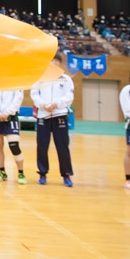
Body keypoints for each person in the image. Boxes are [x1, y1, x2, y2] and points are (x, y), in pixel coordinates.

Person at [30, 51, 74, 187]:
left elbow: (69, 97)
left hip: (59, 115)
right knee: (42, 146)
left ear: (59, 63)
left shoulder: (66, 79)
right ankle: (42, 173)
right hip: (43, 115)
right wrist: (43, 105)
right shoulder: (40, 78)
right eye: (52, 61)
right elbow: (34, 94)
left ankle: (66, 175)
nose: (54, 63)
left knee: (62, 146)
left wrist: (56, 104)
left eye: (57, 61)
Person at [0, 90, 27, 184]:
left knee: (14, 145)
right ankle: (2, 172)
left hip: (11, 117)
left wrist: (8, 112)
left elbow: (18, 98)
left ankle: (21, 173)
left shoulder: (16, 83)